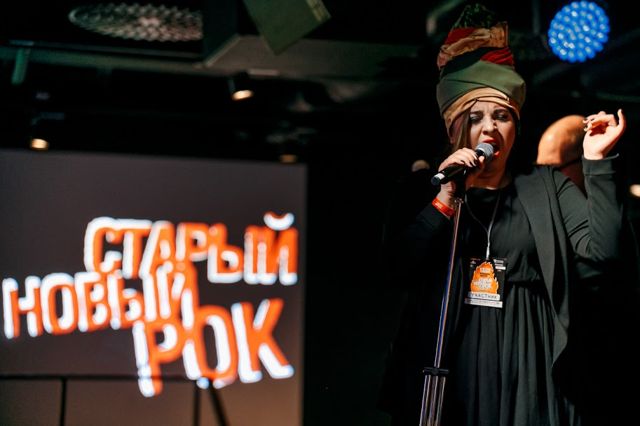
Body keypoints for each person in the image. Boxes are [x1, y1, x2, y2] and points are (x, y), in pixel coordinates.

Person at [378, 4, 627, 425]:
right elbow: (398, 267)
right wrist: (445, 198)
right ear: (452, 127)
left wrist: (596, 163)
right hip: (454, 364)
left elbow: (605, 251)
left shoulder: (546, 186)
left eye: (502, 116)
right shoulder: (427, 189)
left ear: (515, 128)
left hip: (529, 366)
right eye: (474, 117)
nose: (489, 127)